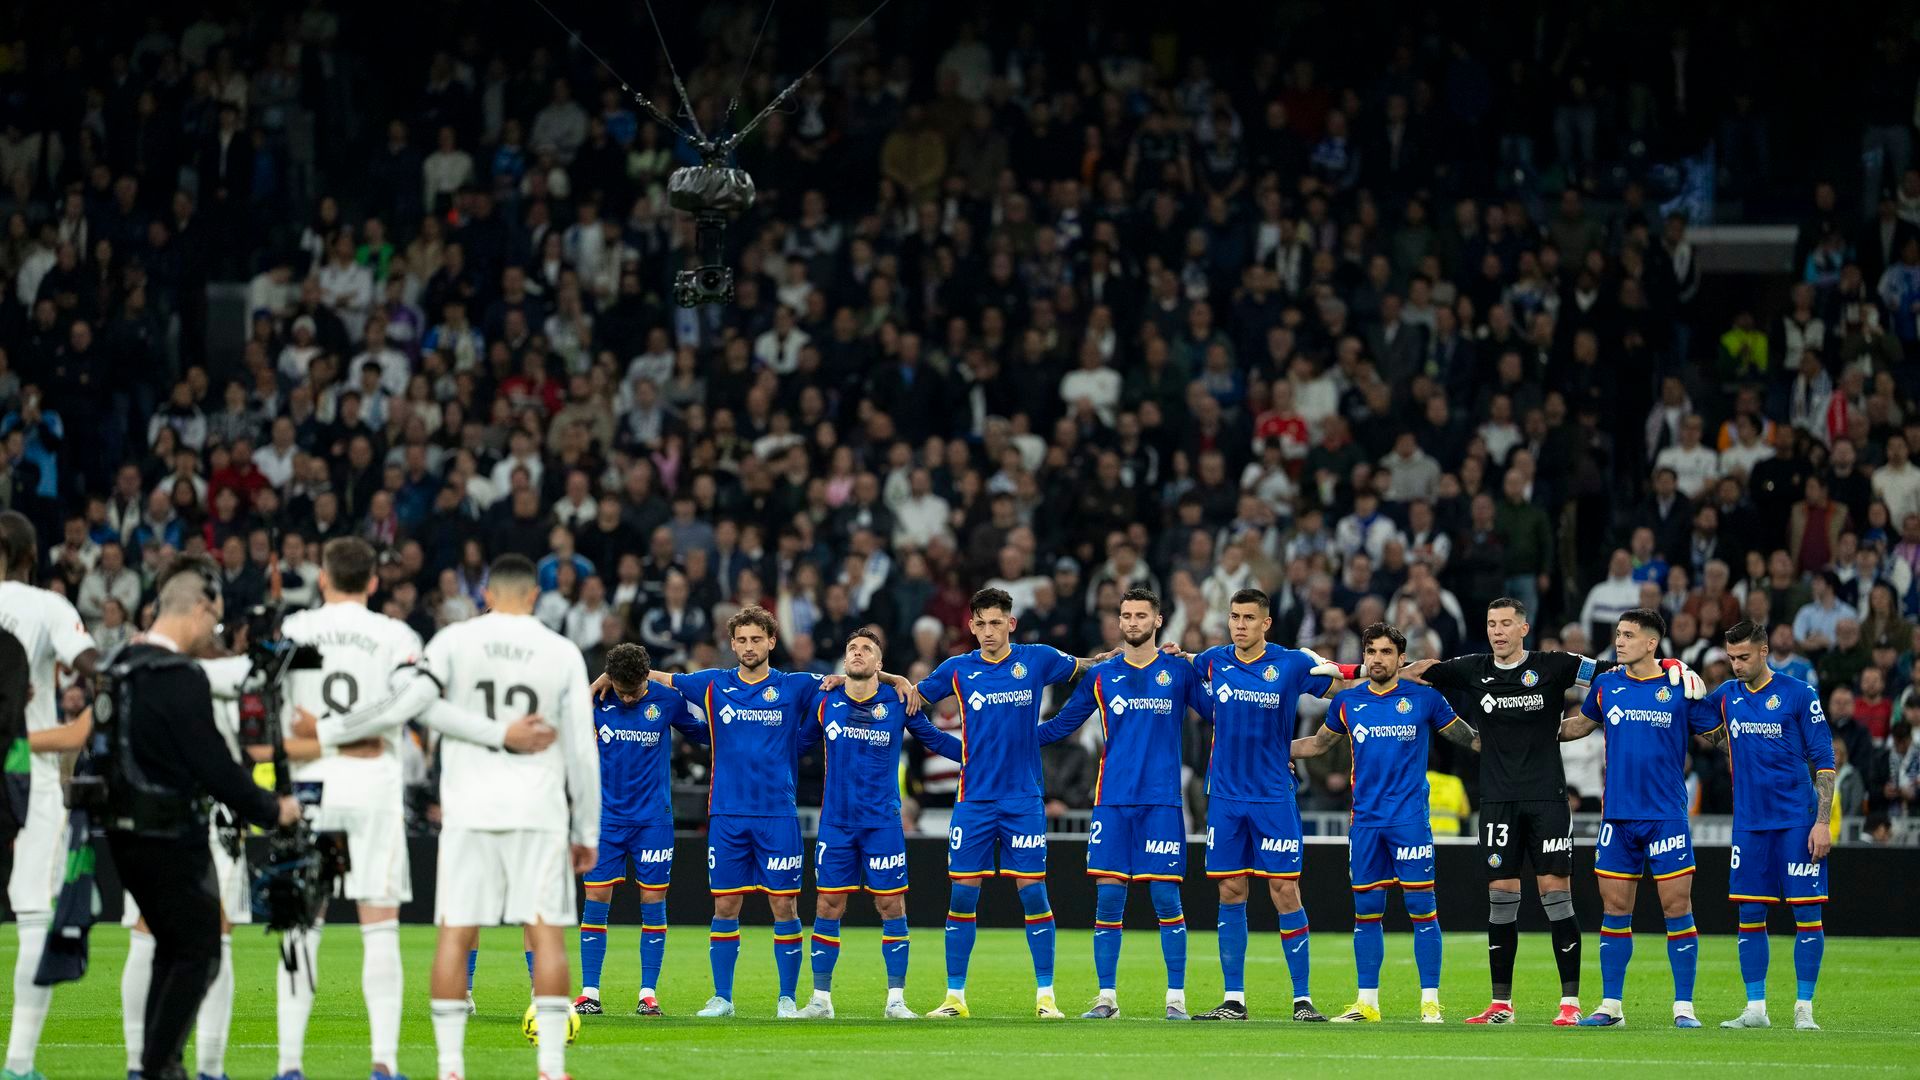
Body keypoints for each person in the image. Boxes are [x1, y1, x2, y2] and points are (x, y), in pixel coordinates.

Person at [273, 537, 557, 1077]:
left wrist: (309, 744)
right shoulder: (394, 634)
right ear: (374, 582)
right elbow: (416, 703)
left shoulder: (295, 631)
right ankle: (383, 1062)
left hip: (311, 791)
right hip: (372, 790)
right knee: (378, 925)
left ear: (324, 579)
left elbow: (277, 709)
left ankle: (289, 1065)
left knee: (301, 927)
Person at [590, 606, 908, 1018]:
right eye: (741, 640)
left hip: (778, 816)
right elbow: (654, 676)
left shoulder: (796, 685)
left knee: (785, 908)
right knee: (725, 907)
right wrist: (604, 677)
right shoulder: (712, 684)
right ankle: (723, 998)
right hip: (726, 817)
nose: (748, 646)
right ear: (732, 643)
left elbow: (857, 677)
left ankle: (787, 1000)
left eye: (757, 639)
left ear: (772, 642)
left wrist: (894, 677)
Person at [1401, 597, 1699, 1026]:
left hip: (1547, 798)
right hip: (1497, 800)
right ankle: (1501, 1004)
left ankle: (1571, 1003)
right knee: (1501, 901)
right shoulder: (1472, 668)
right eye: (1491, 624)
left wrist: (1673, 665)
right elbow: (1423, 670)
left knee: (1556, 898)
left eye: (1506, 623)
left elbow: (1614, 672)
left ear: (1524, 628)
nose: (1497, 631)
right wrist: (1363, 674)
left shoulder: (1556, 665)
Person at [102, 556, 302, 1080]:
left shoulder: (118, 667)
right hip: (171, 833)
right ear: (199, 609)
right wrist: (269, 809)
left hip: (123, 834)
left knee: (168, 947)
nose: (210, 631)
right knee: (200, 953)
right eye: (211, 621)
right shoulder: (180, 676)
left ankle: (156, 1064)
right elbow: (212, 764)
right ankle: (158, 1066)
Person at [411, 554, 599, 1080]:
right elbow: (582, 751)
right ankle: (551, 1068)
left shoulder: (453, 641)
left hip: (469, 808)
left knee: (454, 933)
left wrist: (489, 734)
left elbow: (418, 706)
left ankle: (450, 1068)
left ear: (486, 593)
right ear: (535, 595)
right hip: (538, 810)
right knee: (547, 934)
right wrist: (586, 828)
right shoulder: (561, 652)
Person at [914, 588, 1108, 1020]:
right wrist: (952, 748)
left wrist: (1113, 657)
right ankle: (954, 998)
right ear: (971, 626)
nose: (987, 631)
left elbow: (1086, 668)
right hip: (974, 800)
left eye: (995, 622)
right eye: (980, 623)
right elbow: (911, 703)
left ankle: (1045, 997)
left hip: (1023, 799)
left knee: (1033, 891)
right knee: (963, 896)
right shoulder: (958, 669)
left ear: (1011, 624)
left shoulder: (1036, 659)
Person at [1039, 588, 1210, 1020]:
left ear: (1157, 621)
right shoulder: (1102, 674)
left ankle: (1176, 1000)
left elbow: (1219, 712)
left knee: (1167, 900)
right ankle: (1106, 999)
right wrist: (1010, 735)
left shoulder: (1178, 671)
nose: (1131, 622)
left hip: (1161, 804)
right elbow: (1062, 724)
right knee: (1108, 900)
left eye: (1140, 615)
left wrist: (1201, 662)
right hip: (1112, 802)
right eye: (1125, 615)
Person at [1293, 622, 1477, 1023]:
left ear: (1401, 658)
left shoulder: (1425, 699)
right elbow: (1318, 745)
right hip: (1365, 825)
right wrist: (1267, 751)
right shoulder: (1349, 701)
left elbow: (1467, 737)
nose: (1378, 659)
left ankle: (1430, 1002)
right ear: (1364, 657)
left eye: (1386, 652)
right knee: (1366, 911)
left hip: (1409, 821)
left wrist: (1514, 742)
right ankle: (1367, 1003)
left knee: (1422, 909)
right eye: (1371, 652)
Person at [1560, 609, 1724, 1029]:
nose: (1619, 641)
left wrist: (1759, 735)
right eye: (1618, 634)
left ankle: (1684, 1006)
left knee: (1677, 908)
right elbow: (1580, 726)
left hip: (1666, 816)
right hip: (1617, 817)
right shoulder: (1606, 684)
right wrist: (1525, 730)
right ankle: (1611, 1005)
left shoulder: (1678, 687)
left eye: (1629, 635)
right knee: (1614, 910)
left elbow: (1719, 736)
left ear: (1651, 643)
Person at [1183, 587, 1340, 1022]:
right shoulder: (1214, 659)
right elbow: (1181, 665)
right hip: (1227, 798)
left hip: (1273, 795)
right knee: (1230, 890)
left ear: (1266, 623)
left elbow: (1340, 686)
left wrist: (1350, 668)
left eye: (1248, 618)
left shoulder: (1289, 663)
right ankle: (1233, 999)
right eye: (1234, 616)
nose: (1239, 624)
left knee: (1284, 890)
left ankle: (1302, 999)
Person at [794, 627, 962, 1019]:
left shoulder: (898, 699)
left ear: (879, 663)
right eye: (851, 648)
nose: (857, 653)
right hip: (836, 823)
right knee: (828, 904)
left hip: (883, 823)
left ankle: (896, 1001)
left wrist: (980, 755)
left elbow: (935, 739)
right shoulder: (825, 701)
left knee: (890, 904)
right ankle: (821, 1000)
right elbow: (796, 746)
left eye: (866, 649)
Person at [1, 510, 99, 1080]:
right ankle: (18, 1064)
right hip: (22, 766)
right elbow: (92, 668)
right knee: (35, 911)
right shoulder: (47, 607)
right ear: (33, 558)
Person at [1711, 620, 1836, 1032]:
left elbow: (1824, 762)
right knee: (1749, 914)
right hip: (1750, 825)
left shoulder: (1800, 695)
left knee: (1807, 915)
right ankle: (1755, 1008)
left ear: (1765, 652)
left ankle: (1804, 1008)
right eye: (1730, 658)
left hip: (1797, 824)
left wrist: (1821, 823)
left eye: (1743, 657)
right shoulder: (1727, 696)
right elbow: (1695, 720)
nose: (1736, 665)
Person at [572, 643, 706, 1017]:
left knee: (652, 903)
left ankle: (648, 993)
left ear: (647, 677)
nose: (628, 697)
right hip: (605, 821)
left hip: (652, 822)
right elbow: (564, 724)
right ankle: (589, 992)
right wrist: (593, 686)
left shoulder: (667, 700)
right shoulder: (599, 698)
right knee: (596, 902)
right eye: (621, 689)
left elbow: (704, 734)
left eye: (634, 690)